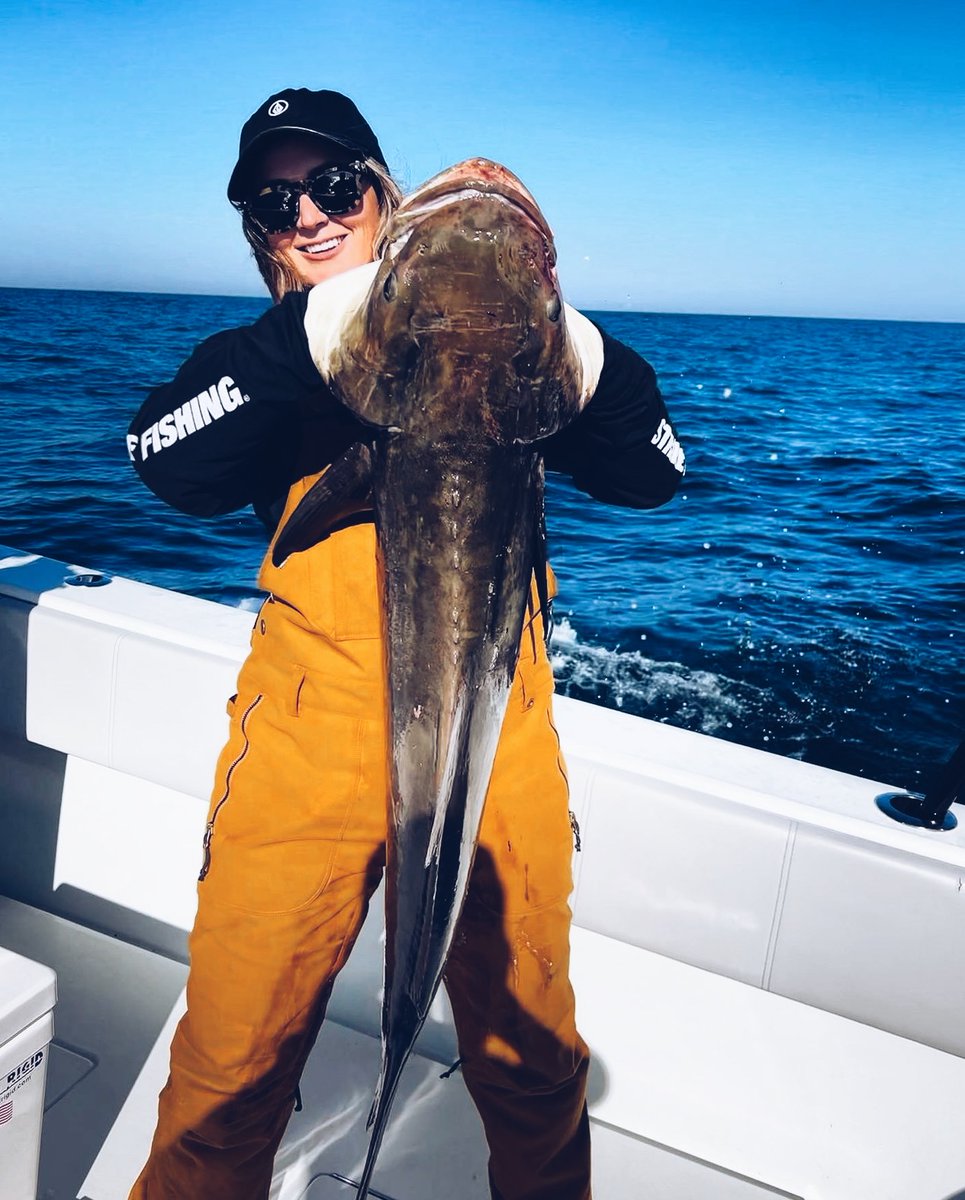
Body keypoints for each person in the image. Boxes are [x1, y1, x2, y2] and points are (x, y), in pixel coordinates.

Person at [126, 87, 685, 1200]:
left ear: (382, 194)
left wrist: (558, 336)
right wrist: (320, 330)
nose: (309, 217)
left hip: (495, 734)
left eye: (335, 187)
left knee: (531, 1064)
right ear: (258, 234)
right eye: (275, 203)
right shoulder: (264, 360)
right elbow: (162, 456)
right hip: (304, 741)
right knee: (230, 1066)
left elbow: (654, 471)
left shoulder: (525, 356)